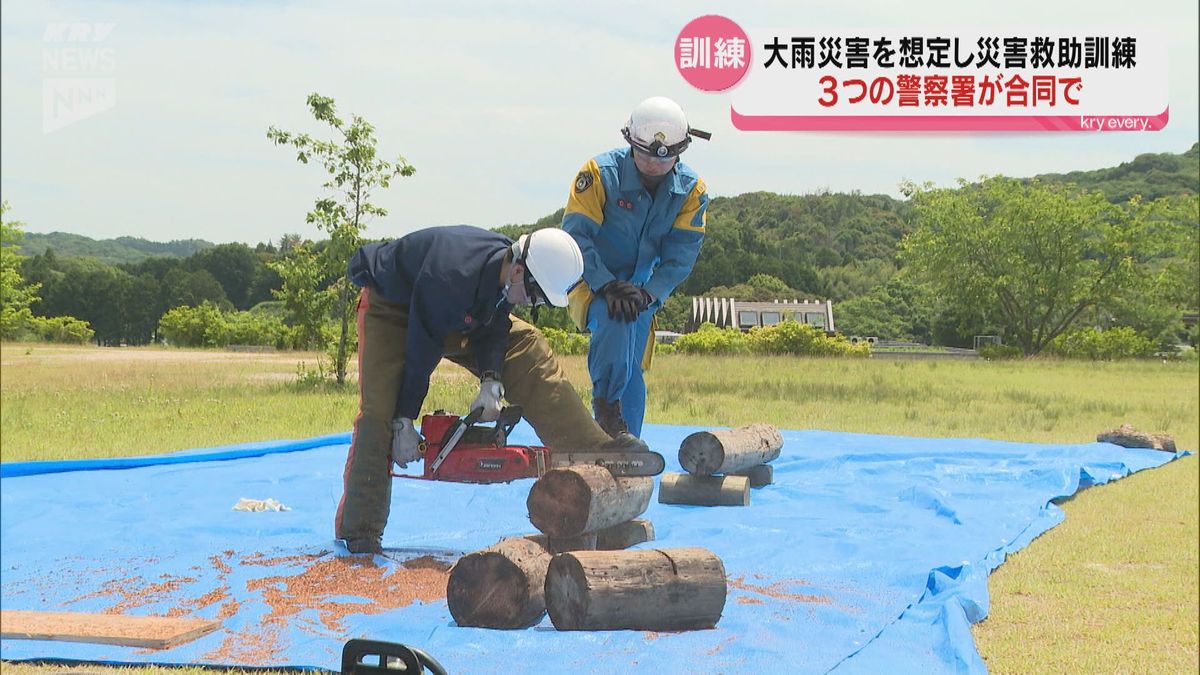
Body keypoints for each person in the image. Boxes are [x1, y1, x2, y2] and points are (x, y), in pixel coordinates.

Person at [335, 225, 642, 555]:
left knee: (528, 346)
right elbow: (421, 346)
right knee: (379, 415)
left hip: (457, 312)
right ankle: (360, 532)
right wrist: (404, 419)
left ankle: (595, 451)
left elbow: (496, 323)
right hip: (395, 308)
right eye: (534, 294)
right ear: (519, 270)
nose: (532, 302)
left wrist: (491, 380)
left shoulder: (507, 269)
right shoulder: (450, 272)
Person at [562, 96, 710, 438]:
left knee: (631, 370)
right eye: (644, 154)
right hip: (591, 281)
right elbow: (576, 238)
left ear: (681, 150)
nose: (654, 165)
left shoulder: (692, 190)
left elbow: (681, 256)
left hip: (644, 292)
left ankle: (630, 446)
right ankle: (605, 411)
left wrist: (648, 294)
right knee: (616, 318)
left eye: (666, 158)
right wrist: (606, 285)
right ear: (629, 141)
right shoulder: (597, 174)